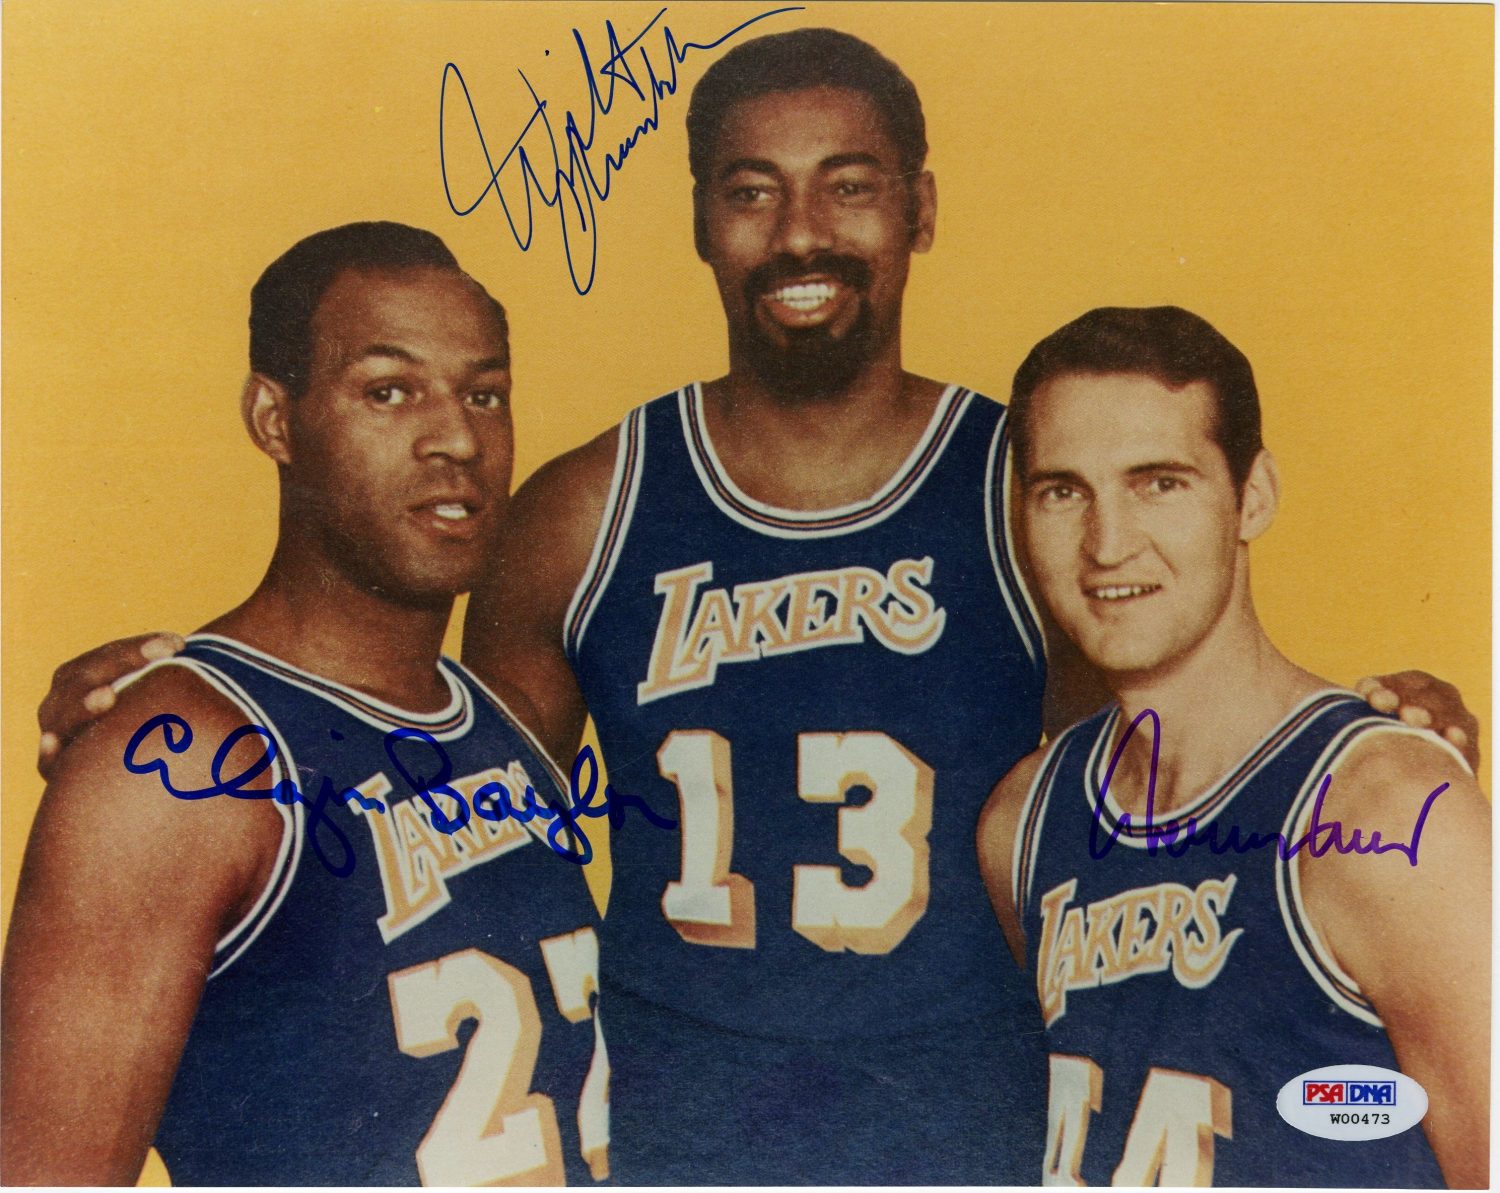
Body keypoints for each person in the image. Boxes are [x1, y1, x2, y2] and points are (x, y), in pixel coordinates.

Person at [31, 30, 1482, 1185]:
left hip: (975, 1120)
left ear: (919, 208)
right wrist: (184, 707)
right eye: (751, 189)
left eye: (848, 184)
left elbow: (1174, 753)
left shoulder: (1033, 485)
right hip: (663, 1130)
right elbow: (449, 814)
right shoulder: (580, 512)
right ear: (702, 223)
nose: (801, 233)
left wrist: (1367, 729)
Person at [1, 223, 610, 1186]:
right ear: (275, 420)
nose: (458, 439)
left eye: (484, 394)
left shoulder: (501, 716)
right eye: (389, 391)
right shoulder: (181, 759)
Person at [976, 306, 1489, 1187]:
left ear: (1254, 496)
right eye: (1063, 491)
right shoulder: (1021, 822)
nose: (1107, 544)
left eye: (1159, 483)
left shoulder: (1388, 810)